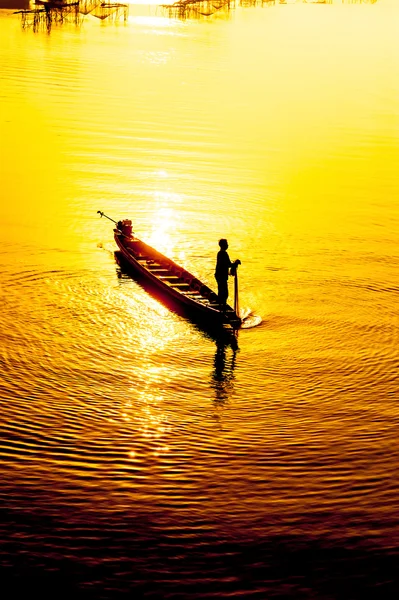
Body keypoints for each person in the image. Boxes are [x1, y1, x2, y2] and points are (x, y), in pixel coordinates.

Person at [215, 239, 240, 313]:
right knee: (224, 293)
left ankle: (222, 307)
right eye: (226, 244)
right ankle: (221, 309)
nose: (227, 245)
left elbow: (228, 264)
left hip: (220, 275)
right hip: (220, 275)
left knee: (222, 292)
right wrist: (236, 263)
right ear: (223, 245)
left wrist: (234, 264)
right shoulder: (223, 253)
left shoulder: (221, 253)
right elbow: (228, 264)